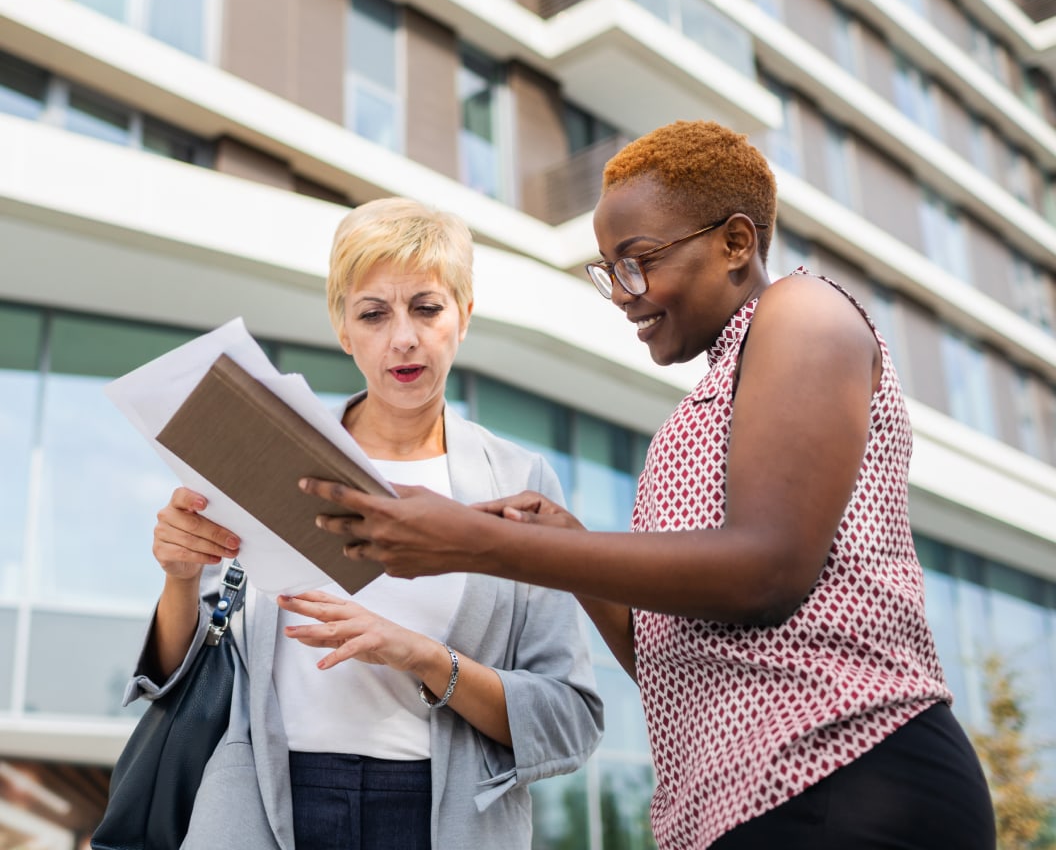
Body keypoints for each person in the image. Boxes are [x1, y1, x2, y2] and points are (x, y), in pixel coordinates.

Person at [301, 121, 997, 850]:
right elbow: (675, 657)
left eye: (638, 262)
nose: (624, 295)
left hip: (848, 778)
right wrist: (569, 549)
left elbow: (767, 570)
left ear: (735, 243)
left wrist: (477, 542)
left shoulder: (803, 313)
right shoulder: (704, 405)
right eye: (609, 271)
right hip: (746, 806)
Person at [129, 197, 603, 850]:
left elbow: (569, 720)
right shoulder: (269, 450)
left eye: (427, 308)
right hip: (264, 808)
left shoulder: (519, 485)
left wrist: (426, 658)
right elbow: (188, 670)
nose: (403, 338)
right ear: (343, 329)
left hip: (443, 819)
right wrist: (180, 578)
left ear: (463, 316)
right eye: (374, 314)